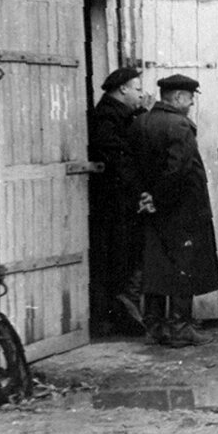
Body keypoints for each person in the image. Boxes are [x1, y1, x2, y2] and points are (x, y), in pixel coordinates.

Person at [127, 73, 218, 346]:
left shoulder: (140, 122)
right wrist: (160, 198)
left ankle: (155, 327)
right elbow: (177, 170)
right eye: (190, 98)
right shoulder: (180, 125)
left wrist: (146, 196)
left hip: (152, 211)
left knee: (156, 267)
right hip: (181, 211)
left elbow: (132, 167)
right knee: (184, 268)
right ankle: (180, 327)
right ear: (179, 97)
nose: (191, 104)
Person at [89, 67, 146, 335]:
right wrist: (140, 191)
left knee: (124, 257)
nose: (140, 93)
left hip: (121, 201)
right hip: (115, 203)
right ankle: (115, 321)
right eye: (136, 88)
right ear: (122, 89)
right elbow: (120, 160)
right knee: (117, 259)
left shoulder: (120, 114)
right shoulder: (107, 117)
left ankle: (120, 318)